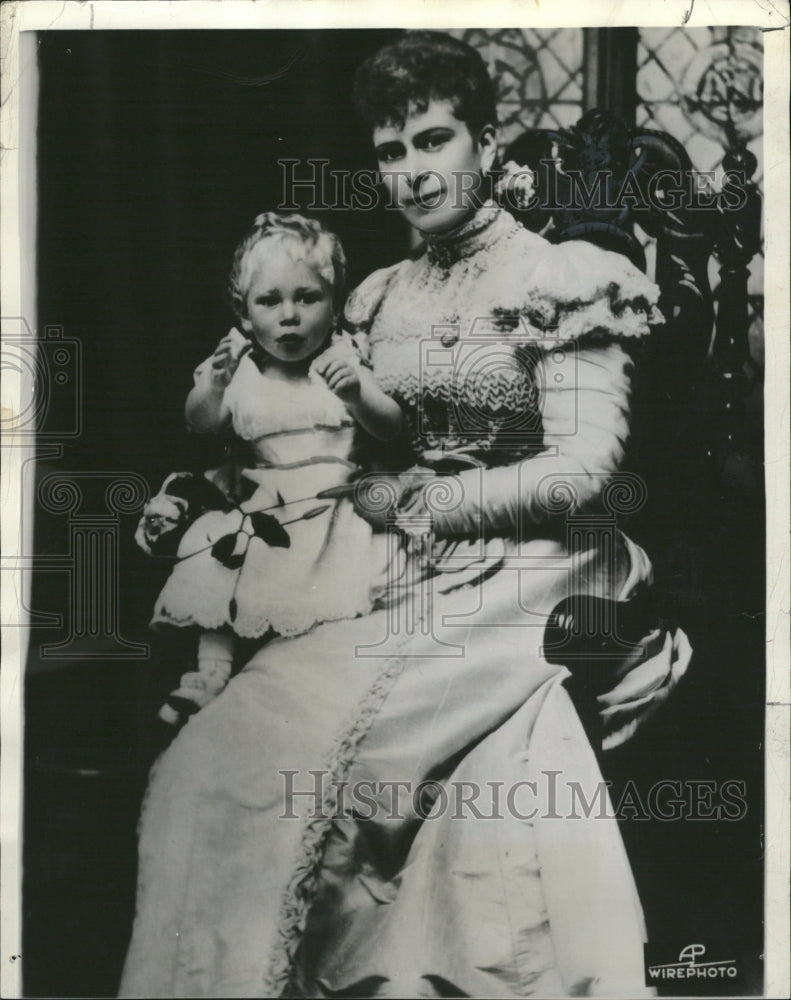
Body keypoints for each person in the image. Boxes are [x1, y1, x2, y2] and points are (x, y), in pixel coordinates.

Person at [119, 31, 691, 999]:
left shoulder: (560, 277)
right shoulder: (378, 295)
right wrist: (205, 491)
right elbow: (311, 437)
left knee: (355, 752)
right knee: (230, 741)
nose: (412, 172)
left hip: (545, 560)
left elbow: (585, 464)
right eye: (390, 151)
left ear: (487, 139)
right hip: (395, 559)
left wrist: (430, 502)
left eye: (433, 140)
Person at [134, 212, 402, 724]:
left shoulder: (345, 360)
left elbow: (390, 426)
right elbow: (202, 424)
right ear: (244, 315)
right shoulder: (243, 373)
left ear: (333, 305)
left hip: (330, 505)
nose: (290, 316)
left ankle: (300, 681)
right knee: (219, 561)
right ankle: (210, 674)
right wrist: (211, 387)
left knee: (321, 600)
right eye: (270, 301)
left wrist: (357, 393)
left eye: (307, 298)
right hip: (263, 506)